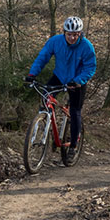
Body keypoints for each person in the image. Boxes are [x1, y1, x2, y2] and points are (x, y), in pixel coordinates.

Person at [25, 16, 96, 149]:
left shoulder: (86, 46)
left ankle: (73, 146)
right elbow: (43, 57)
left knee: (75, 112)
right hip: (59, 76)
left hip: (77, 81)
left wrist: (78, 81)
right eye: (69, 34)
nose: (72, 38)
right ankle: (44, 122)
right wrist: (32, 74)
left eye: (75, 34)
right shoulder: (55, 41)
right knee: (46, 98)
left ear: (80, 33)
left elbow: (90, 67)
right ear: (64, 32)